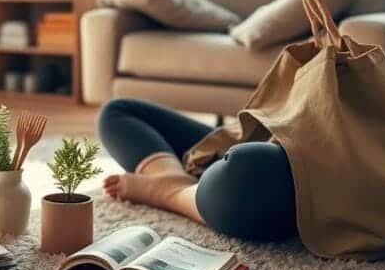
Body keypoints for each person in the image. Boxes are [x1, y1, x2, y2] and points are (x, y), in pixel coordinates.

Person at [98, 98, 297, 242]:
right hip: (273, 134)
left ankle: (171, 193)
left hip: (301, 167)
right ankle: (173, 178)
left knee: (251, 175)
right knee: (117, 112)